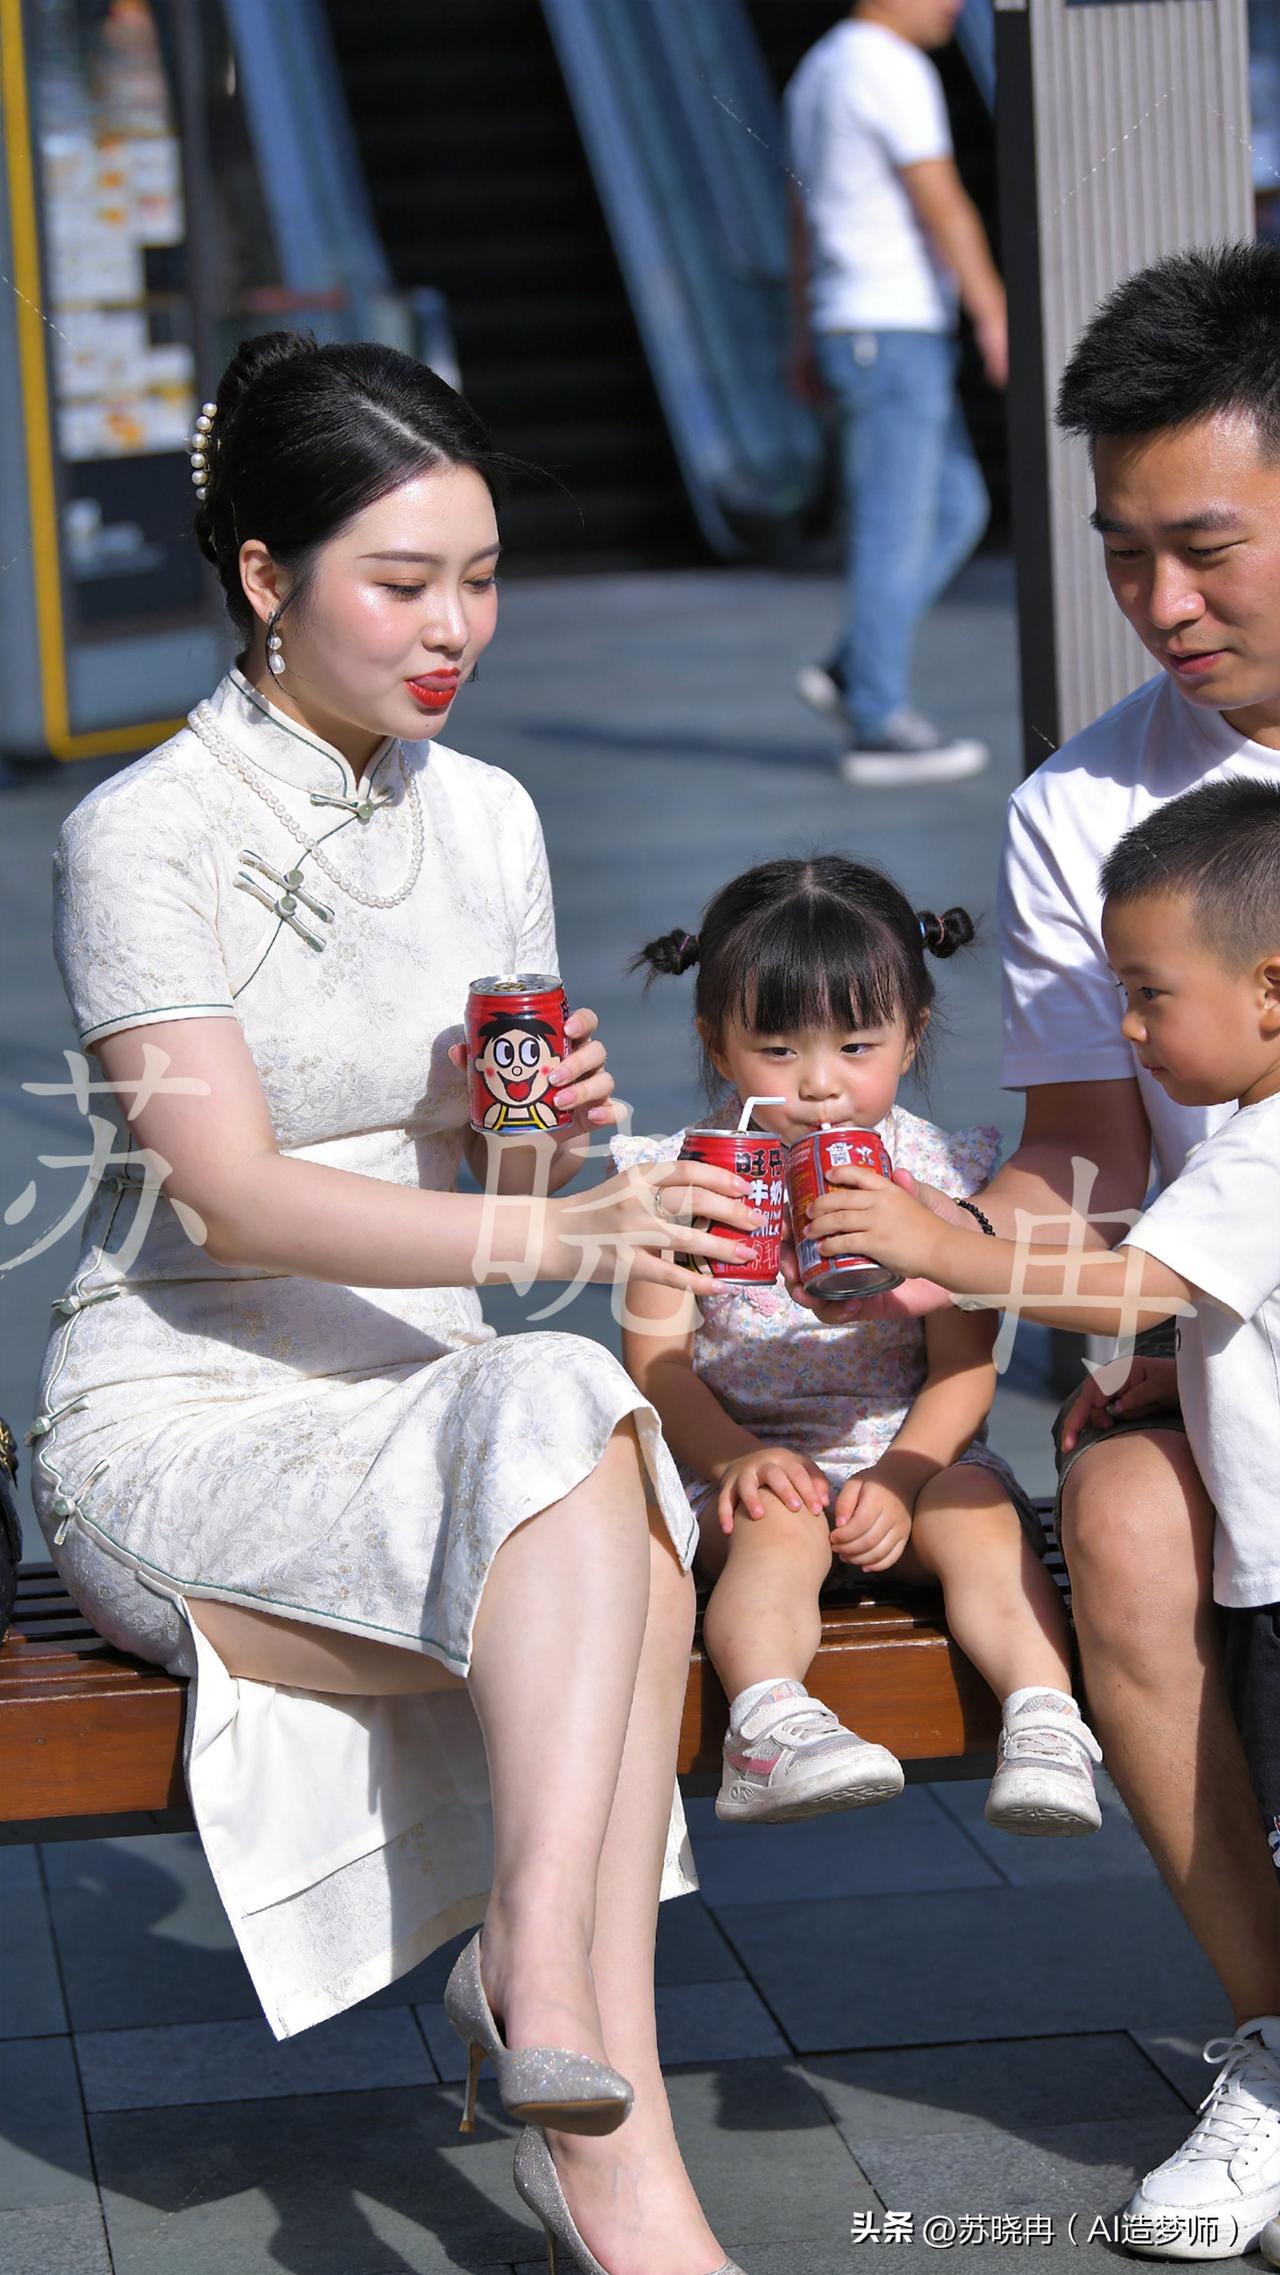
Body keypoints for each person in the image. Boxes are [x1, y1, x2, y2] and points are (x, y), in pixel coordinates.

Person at [30, 331, 760, 2275]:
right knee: (572, 1429)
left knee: (556, 1416)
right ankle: (602, 2123)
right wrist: (568, 1231)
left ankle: (553, 2002)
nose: (458, 629)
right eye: (403, 583)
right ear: (264, 576)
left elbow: (501, 1182)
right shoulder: (143, 834)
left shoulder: (492, 815)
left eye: (483, 577)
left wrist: (539, 1142)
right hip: (190, 1401)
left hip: (442, 1382)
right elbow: (236, 1195)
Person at [820, 243, 1280, 2260]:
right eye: (1119, 558)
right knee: (1122, 1509)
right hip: (1209, 1338)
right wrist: (913, 1236)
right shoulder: (1080, 805)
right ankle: (1274, 2044)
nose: (1161, 606)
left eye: (1205, 548)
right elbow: (1085, 1157)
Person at [611, 856, 1102, 1834]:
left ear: (911, 1036)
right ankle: (768, 1722)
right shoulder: (681, 1181)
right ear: (715, 1040)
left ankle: (1045, 1717)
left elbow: (965, 1363)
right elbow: (655, 1363)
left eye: (854, 1045)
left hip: (905, 1461)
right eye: (778, 1049)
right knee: (779, 1524)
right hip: (743, 1474)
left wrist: (908, 1471)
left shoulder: (939, 1177)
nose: (819, 1084)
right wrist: (737, 1457)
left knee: (976, 1506)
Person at [784, 0, 1007, 786]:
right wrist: (992, 306)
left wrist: (805, 329)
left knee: (955, 509)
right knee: (892, 526)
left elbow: (804, 215)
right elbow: (939, 197)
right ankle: (878, 722)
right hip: (892, 329)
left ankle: (855, 667)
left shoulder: (819, 69)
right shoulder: (890, 66)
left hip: (860, 327)